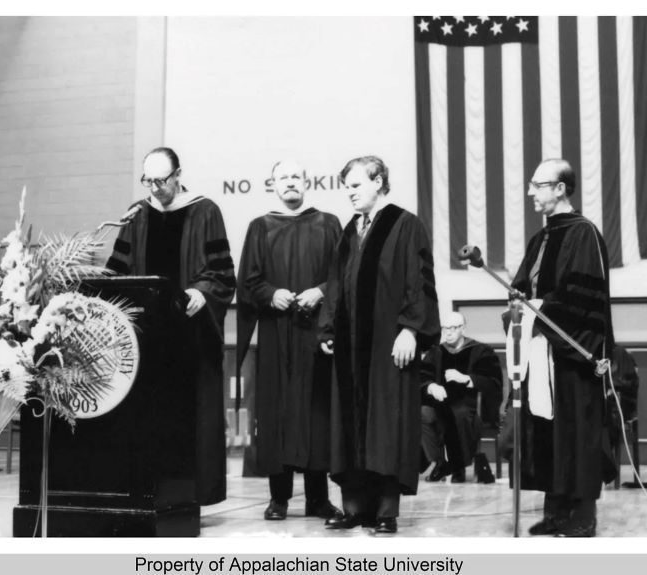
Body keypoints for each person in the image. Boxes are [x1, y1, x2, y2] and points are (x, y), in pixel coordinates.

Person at [106, 146, 235, 506]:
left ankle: (190, 497)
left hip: (190, 336)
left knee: (189, 416)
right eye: (148, 180)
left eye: (162, 180)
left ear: (178, 175)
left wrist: (201, 291)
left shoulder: (206, 210)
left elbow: (222, 273)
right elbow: (118, 269)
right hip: (146, 337)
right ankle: (148, 492)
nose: (155, 188)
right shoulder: (138, 214)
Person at [319, 155, 440, 534]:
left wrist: (410, 329)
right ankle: (354, 506)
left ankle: (386, 510)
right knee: (350, 427)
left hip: (388, 346)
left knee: (386, 427)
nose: (350, 194)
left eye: (356, 185)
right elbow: (335, 284)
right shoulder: (349, 230)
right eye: (347, 187)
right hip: (350, 350)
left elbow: (418, 281)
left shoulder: (405, 225)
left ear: (378, 181)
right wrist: (327, 330)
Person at [503, 158, 615, 537]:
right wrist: (518, 304)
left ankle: (582, 516)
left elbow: (582, 298)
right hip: (539, 348)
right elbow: (523, 286)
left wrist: (542, 310)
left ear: (560, 188)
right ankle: (555, 512)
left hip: (572, 353)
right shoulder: (541, 238)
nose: (531, 192)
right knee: (546, 429)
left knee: (574, 432)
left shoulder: (584, 234)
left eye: (538, 185)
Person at [236, 159, 343, 522]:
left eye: (296, 176)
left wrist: (321, 291)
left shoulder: (328, 223)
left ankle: (318, 499)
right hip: (276, 333)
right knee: (277, 413)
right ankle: (278, 498)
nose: (291, 182)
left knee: (317, 413)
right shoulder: (260, 227)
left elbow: (343, 275)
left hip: (315, 333)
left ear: (307, 181)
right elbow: (249, 280)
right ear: (273, 184)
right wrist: (271, 293)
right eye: (283, 178)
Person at [420, 311, 503, 483]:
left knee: (459, 414)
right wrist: (431, 386)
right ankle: (440, 462)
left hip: (469, 404)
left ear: (463, 328)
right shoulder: (436, 352)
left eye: (453, 328)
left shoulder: (481, 351)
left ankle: (458, 466)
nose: (448, 332)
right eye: (445, 328)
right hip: (438, 403)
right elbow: (421, 377)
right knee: (423, 413)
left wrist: (467, 379)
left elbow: (493, 382)